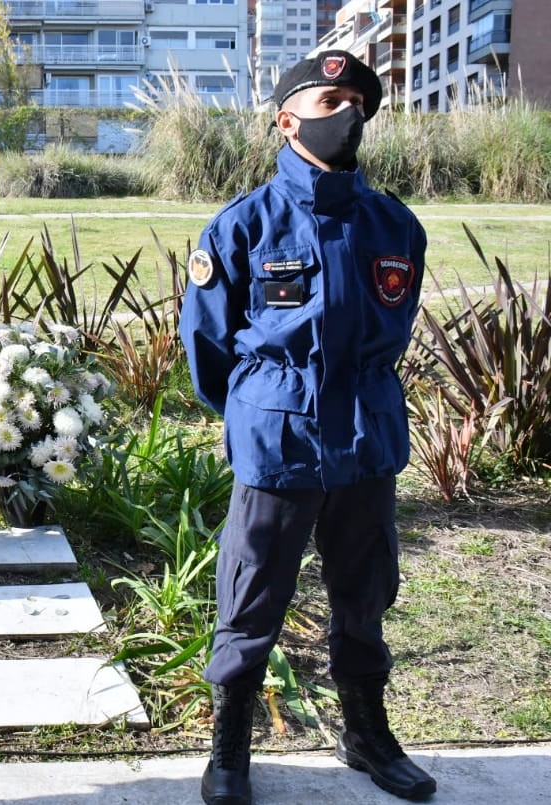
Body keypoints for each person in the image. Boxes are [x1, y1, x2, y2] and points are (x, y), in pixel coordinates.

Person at [179, 51, 435, 805]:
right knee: (252, 596)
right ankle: (230, 746)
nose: (348, 111)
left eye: (357, 99)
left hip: (366, 440)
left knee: (364, 592)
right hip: (280, 444)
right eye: (331, 97)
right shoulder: (242, 225)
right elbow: (208, 350)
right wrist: (263, 411)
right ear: (287, 118)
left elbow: (394, 329)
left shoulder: (395, 224)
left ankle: (366, 733)